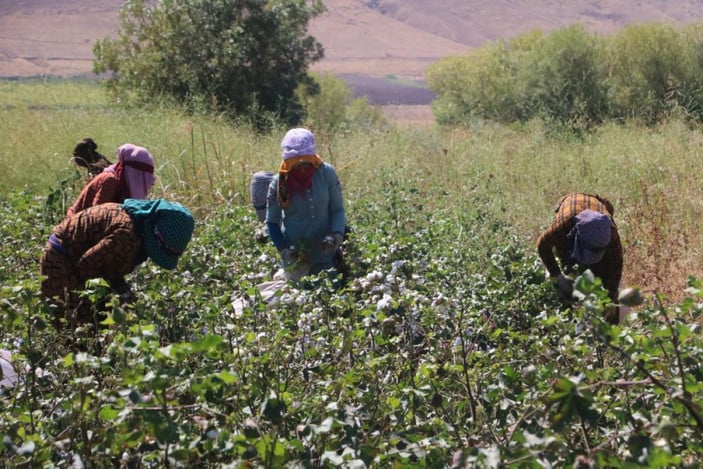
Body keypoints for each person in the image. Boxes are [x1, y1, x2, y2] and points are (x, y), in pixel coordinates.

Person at [40, 199, 195, 327]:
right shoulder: (125, 236)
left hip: (76, 262)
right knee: (76, 327)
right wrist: (108, 300)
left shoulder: (138, 224)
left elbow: (106, 266)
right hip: (61, 262)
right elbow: (86, 266)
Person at [266, 128, 346, 283]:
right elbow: (272, 222)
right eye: (297, 166)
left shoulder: (326, 173)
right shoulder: (279, 183)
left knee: (331, 296)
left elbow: (337, 209)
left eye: (306, 165)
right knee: (298, 300)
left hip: (326, 254)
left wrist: (335, 236)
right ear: (289, 165)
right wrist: (284, 250)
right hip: (296, 258)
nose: (302, 169)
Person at [537, 192, 623, 324]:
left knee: (602, 276)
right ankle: (569, 316)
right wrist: (558, 276)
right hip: (572, 206)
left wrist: (610, 299)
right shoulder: (564, 224)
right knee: (567, 265)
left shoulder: (611, 235)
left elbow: (615, 267)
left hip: (593, 205)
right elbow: (543, 246)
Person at [66, 143, 156, 218]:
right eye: (143, 178)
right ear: (133, 174)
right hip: (76, 231)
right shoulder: (109, 181)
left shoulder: (122, 185)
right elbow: (96, 219)